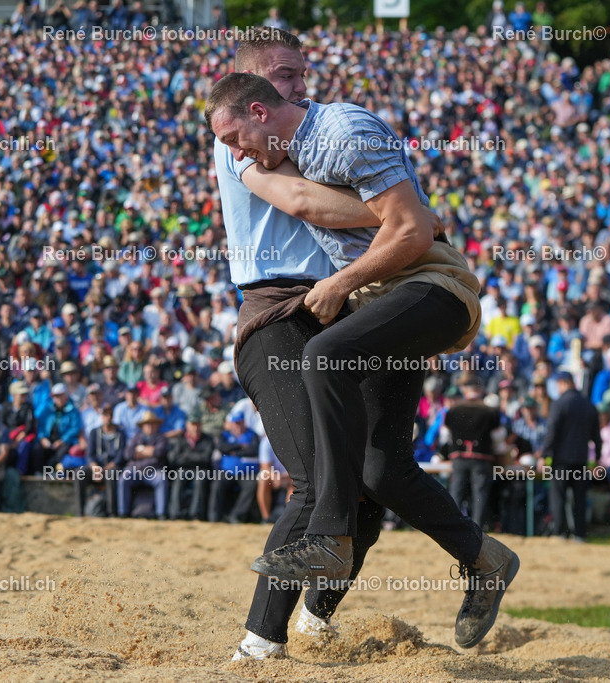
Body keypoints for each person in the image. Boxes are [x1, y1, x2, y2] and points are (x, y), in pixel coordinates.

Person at [208, 32, 514, 659]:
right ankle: (264, 640)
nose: (299, 85)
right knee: (316, 476)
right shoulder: (240, 137)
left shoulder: (326, 130)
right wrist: (404, 215)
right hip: (286, 305)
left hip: (367, 296)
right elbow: (303, 202)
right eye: (285, 75)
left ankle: (320, 613)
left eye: (301, 74)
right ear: (256, 91)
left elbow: (385, 213)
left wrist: (405, 219)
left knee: (380, 470)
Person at [541, 372, 601, 541]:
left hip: (561, 460)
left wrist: (545, 455)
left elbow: (552, 431)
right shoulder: (588, 404)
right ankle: (579, 534)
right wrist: (597, 457)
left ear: (562, 383)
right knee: (579, 498)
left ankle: (559, 531)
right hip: (581, 460)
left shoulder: (559, 403)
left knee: (558, 496)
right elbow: (596, 436)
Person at [445, 380, 501, 527]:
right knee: (479, 494)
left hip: (458, 456)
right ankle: (477, 527)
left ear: (465, 391)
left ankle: (453, 527)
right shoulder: (489, 411)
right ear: (481, 391)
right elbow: (498, 437)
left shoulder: (454, 409)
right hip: (481, 457)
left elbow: (446, 435)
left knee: (456, 491)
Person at [76, 403, 125, 517]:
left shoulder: (120, 433)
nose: (108, 417)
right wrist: (95, 468)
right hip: (96, 467)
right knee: (79, 473)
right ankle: (80, 512)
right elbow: (89, 454)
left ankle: (112, 512)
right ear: (101, 416)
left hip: (112, 467)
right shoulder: (94, 432)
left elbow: (121, 456)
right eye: (105, 414)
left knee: (111, 474)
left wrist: (105, 469)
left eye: (110, 414)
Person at [119, 411, 168, 519]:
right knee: (124, 478)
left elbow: (159, 453)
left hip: (153, 471)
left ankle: (161, 513)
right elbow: (128, 454)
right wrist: (149, 451)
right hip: (135, 470)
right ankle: (123, 512)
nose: (150, 426)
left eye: (152, 423)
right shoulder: (136, 438)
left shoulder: (161, 438)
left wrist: (140, 451)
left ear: (157, 425)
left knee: (162, 479)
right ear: (143, 426)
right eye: (147, 424)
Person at [166, 412, 214, 521]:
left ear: (201, 425)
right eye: (193, 424)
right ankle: (175, 514)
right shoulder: (180, 439)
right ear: (187, 425)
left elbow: (206, 458)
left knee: (200, 479)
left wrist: (186, 455)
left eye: (198, 425)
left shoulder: (207, 439)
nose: (195, 428)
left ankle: (196, 514)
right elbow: (174, 459)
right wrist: (195, 457)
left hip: (200, 469)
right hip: (183, 469)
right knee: (178, 478)